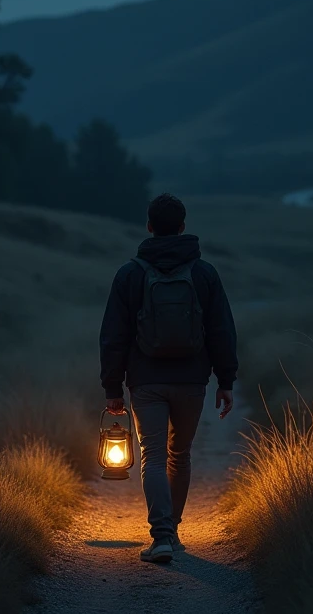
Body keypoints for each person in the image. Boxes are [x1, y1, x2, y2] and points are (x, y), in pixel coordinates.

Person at [99, 193, 238, 564]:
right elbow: (222, 329)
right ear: (182, 227)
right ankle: (172, 532)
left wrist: (112, 388)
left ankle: (161, 537)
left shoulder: (130, 274)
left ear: (148, 227)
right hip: (193, 380)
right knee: (181, 454)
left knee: (154, 457)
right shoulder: (204, 273)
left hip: (145, 381)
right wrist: (226, 380)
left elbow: (114, 335)